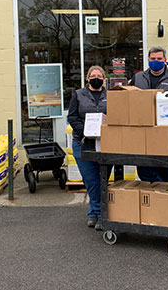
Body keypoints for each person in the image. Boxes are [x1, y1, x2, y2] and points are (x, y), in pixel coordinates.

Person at [130, 46, 168, 182]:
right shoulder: (138, 78)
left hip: (165, 133)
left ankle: (167, 196)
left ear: (165, 60)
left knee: (167, 170)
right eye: (153, 59)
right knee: (144, 170)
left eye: (159, 58)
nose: (155, 61)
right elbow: (129, 101)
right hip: (143, 132)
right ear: (148, 60)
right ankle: (157, 194)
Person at [67, 66, 111, 230]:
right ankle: (99, 212)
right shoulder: (78, 95)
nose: (96, 78)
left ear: (104, 79)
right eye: (93, 75)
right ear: (87, 78)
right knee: (91, 180)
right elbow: (72, 116)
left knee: (103, 178)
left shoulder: (111, 95)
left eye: (99, 75)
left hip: (106, 143)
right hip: (83, 142)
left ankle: (96, 213)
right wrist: (85, 131)